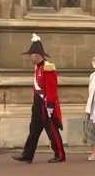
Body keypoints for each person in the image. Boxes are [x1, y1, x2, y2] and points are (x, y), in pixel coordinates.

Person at [12, 33, 66, 164]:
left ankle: (60, 154)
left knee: (52, 130)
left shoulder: (48, 67)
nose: (30, 57)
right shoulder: (37, 67)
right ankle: (27, 155)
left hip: (46, 103)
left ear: (37, 55)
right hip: (37, 103)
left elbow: (52, 88)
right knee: (34, 130)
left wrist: (50, 105)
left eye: (31, 54)